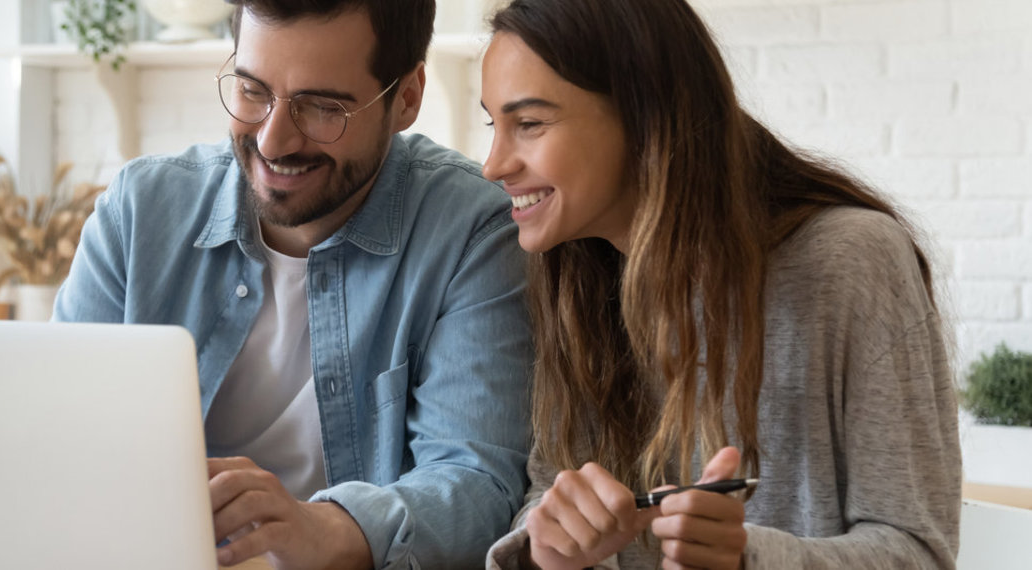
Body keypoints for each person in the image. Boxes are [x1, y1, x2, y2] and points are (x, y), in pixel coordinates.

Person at [477, 0, 960, 568]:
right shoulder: (576, 278)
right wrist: (549, 552)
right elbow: (550, 496)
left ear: (645, 114)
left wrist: (745, 558)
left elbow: (920, 551)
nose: (493, 164)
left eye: (529, 124)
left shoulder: (850, 261)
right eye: (494, 124)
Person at [54, 0, 534, 568]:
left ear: (405, 98)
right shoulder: (138, 213)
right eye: (253, 91)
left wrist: (321, 528)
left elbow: (477, 486)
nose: (273, 141)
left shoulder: (472, 231)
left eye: (322, 107)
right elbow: (56, 438)